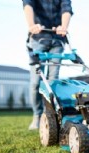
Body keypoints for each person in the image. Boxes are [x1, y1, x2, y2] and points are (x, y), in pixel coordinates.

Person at [22, 0, 73, 130]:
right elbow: (28, 5)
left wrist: (63, 26)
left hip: (57, 40)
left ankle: (49, 115)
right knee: (36, 81)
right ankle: (37, 115)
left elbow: (66, 9)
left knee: (52, 81)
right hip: (38, 38)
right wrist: (32, 24)